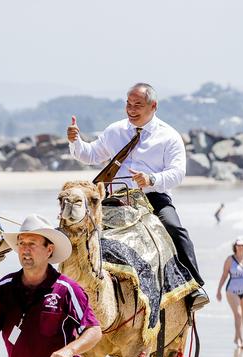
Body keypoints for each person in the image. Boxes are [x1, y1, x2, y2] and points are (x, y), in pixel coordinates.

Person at [66, 82, 209, 311]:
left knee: (175, 230)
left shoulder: (169, 136)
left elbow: (177, 173)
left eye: (138, 105)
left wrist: (151, 179)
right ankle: (68, 284)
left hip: (152, 198)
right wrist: (76, 141)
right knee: (77, 227)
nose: (131, 109)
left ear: (153, 106)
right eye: (128, 104)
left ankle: (193, 286)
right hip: (115, 198)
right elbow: (91, 155)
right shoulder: (115, 130)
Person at [0, 214, 102, 357]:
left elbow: (94, 330)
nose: (25, 250)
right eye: (21, 243)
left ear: (49, 250)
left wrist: (69, 350)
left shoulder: (67, 289)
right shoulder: (4, 287)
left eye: (32, 244)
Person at [216, 236, 243, 349]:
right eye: (239, 245)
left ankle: (237, 337)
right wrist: (219, 290)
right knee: (238, 315)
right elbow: (224, 275)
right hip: (232, 291)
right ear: (235, 246)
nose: (241, 247)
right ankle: (241, 340)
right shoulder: (230, 260)